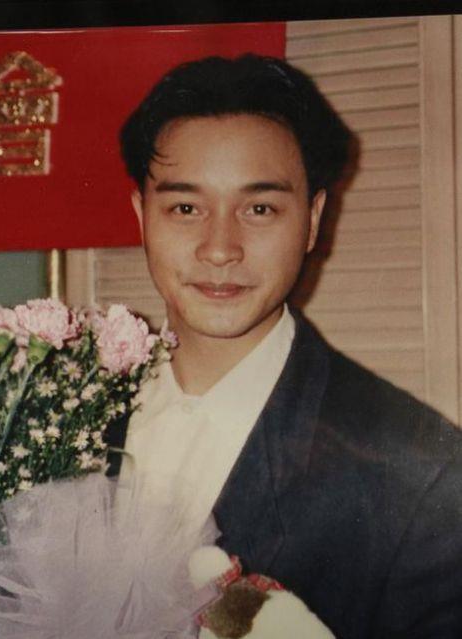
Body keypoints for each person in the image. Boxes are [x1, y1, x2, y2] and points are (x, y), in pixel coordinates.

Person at [118, 54, 462, 638]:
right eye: (185, 208)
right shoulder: (57, 411)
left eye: (259, 209)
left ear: (312, 219)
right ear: (141, 216)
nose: (220, 248)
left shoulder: (422, 477)